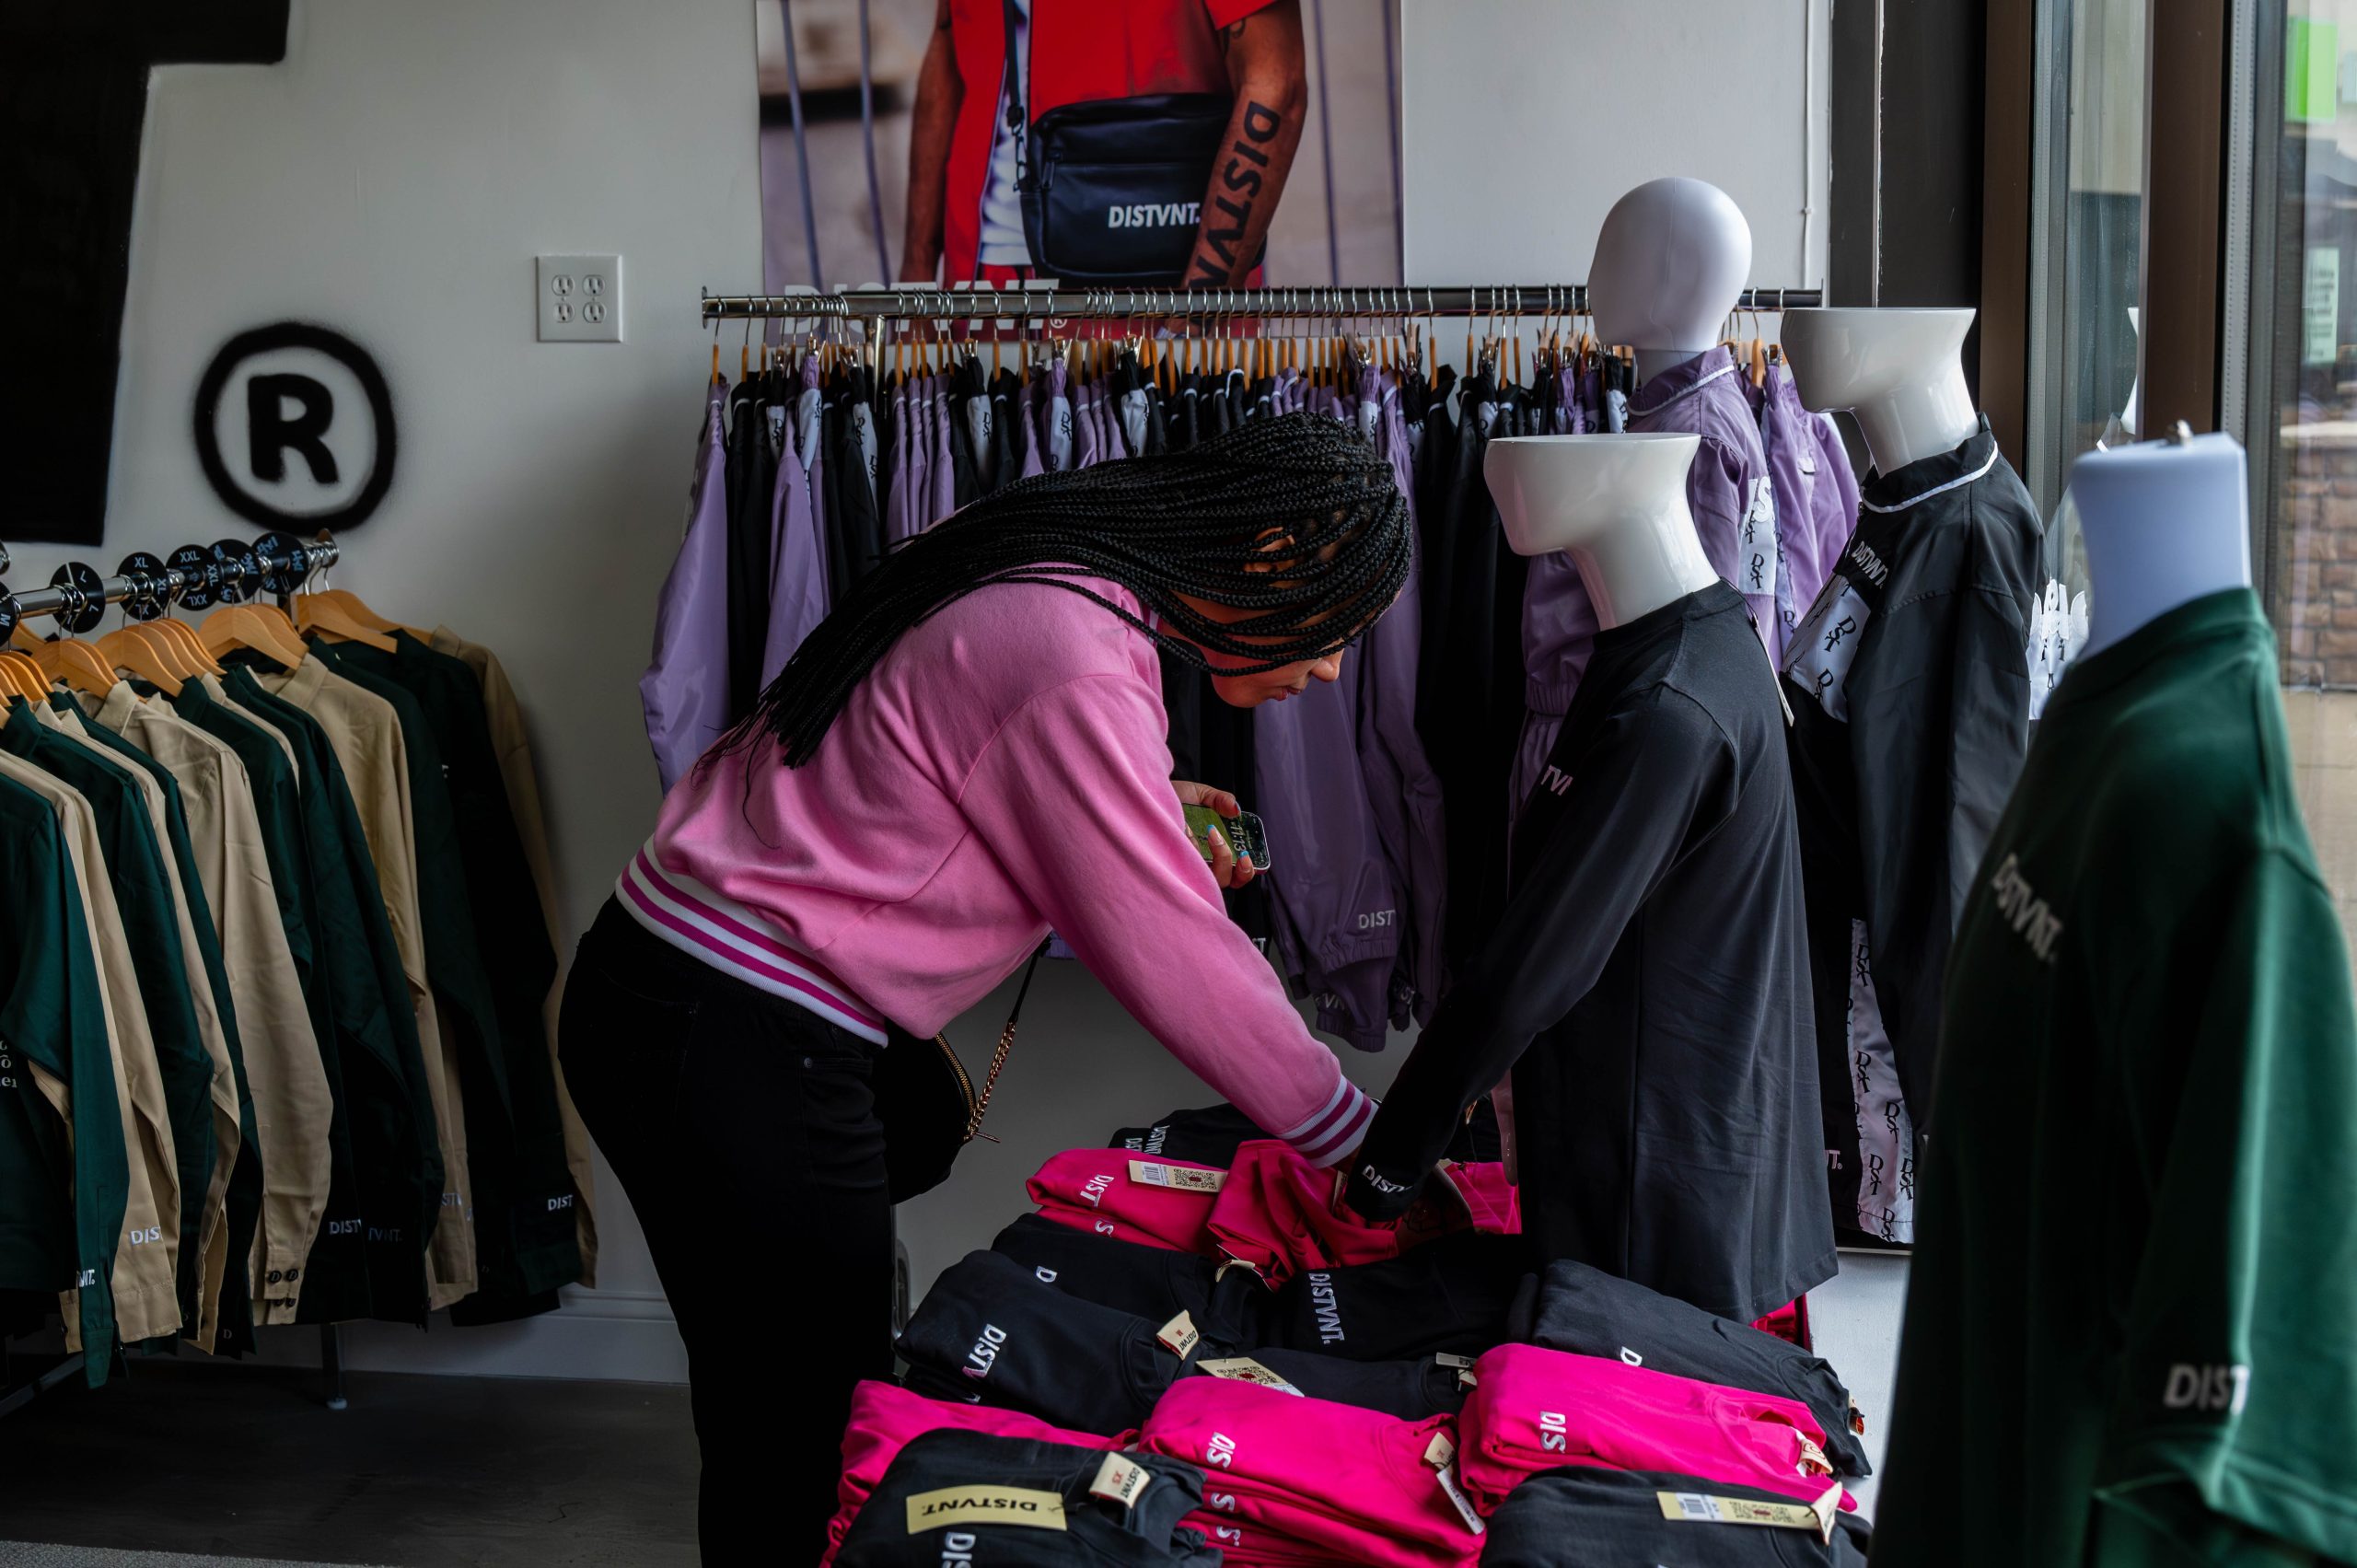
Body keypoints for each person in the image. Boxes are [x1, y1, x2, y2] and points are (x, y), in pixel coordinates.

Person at [560, 413, 1407, 1563]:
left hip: (674, 986)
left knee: (774, 1413)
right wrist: (1359, 1138)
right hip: (739, 1028)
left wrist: (1146, 816)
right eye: (1336, 627)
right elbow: (1174, 949)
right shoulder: (1071, 646)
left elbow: (954, 772)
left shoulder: (1034, 551)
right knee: (804, 1439)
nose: (1331, 668)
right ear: (1265, 559)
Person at [898, 0, 1307, 288]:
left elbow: (1275, 85)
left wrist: (1198, 314)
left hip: (1152, 278)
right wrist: (916, 281)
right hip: (980, 276)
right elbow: (950, 46)